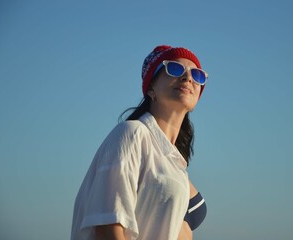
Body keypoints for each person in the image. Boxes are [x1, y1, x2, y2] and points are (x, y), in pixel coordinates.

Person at [71, 45, 208, 240]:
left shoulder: (173, 160)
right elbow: (108, 225)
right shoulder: (132, 133)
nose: (188, 78)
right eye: (175, 69)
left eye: (197, 75)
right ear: (151, 88)